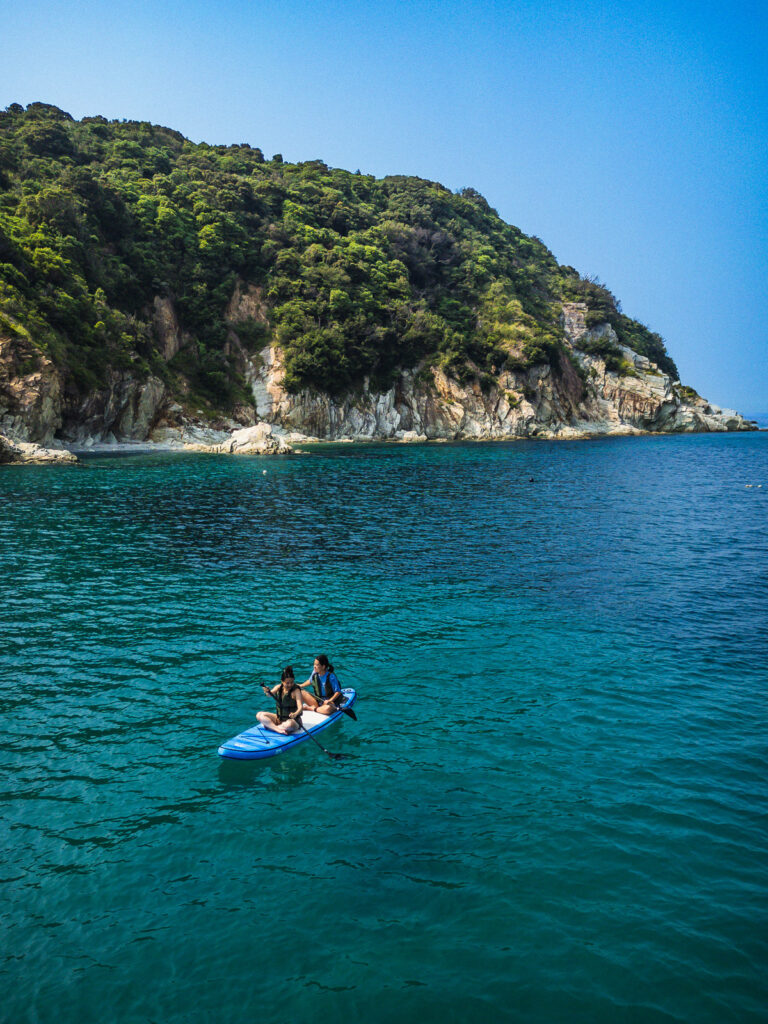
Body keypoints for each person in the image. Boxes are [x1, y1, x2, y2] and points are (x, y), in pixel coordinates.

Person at [257, 666, 304, 734]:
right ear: (282, 681)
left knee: (289, 725)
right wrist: (267, 691)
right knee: (259, 715)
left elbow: (300, 707)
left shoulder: (296, 691)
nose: (290, 685)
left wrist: (295, 713)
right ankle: (278, 729)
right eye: (287, 683)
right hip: (279, 719)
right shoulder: (278, 687)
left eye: (292, 682)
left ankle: (271, 726)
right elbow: (269, 695)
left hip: (293, 721)